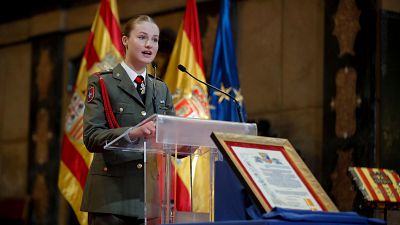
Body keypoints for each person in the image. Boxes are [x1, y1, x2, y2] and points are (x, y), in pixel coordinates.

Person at [80, 15, 175, 225]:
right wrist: (132, 133)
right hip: (110, 200)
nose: (149, 44)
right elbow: (91, 137)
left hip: (148, 201)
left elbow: (172, 135)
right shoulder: (103, 83)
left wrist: (187, 140)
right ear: (125, 41)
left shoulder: (161, 88)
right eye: (142, 37)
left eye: (155, 39)